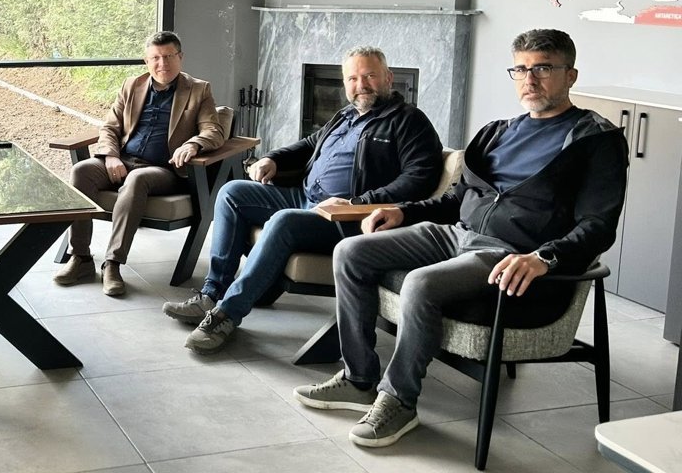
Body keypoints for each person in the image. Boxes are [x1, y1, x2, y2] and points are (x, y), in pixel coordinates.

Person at [295, 29, 628, 449]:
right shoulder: (497, 132)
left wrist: (544, 257)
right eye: (521, 69)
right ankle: (359, 378)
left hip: (509, 254)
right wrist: (403, 211)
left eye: (543, 68)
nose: (530, 79)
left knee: (421, 282)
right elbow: (455, 200)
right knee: (351, 251)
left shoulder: (595, 140)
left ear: (570, 75)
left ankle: (399, 401)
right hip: (457, 235)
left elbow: (598, 224)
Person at [162, 47, 444, 353]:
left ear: (388, 78)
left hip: (348, 218)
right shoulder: (346, 115)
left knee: (283, 221)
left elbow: (420, 177)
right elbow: (308, 145)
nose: (361, 84)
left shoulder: (408, 120)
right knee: (232, 193)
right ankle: (211, 294)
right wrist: (272, 159)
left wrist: (359, 202)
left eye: (369, 76)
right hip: (304, 197)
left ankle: (226, 315)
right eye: (352, 78)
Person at [53, 31, 226, 296]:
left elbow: (213, 130)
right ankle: (81, 258)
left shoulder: (198, 90)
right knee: (81, 171)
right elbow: (110, 127)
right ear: (147, 61)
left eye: (169, 56)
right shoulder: (131, 85)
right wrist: (111, 156)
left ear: (180, 57)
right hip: (122, 161)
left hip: (162, 170)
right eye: (155, 58)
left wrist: (193, 144)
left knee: (137, 179)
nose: (162, 63)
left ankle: (112, 263)